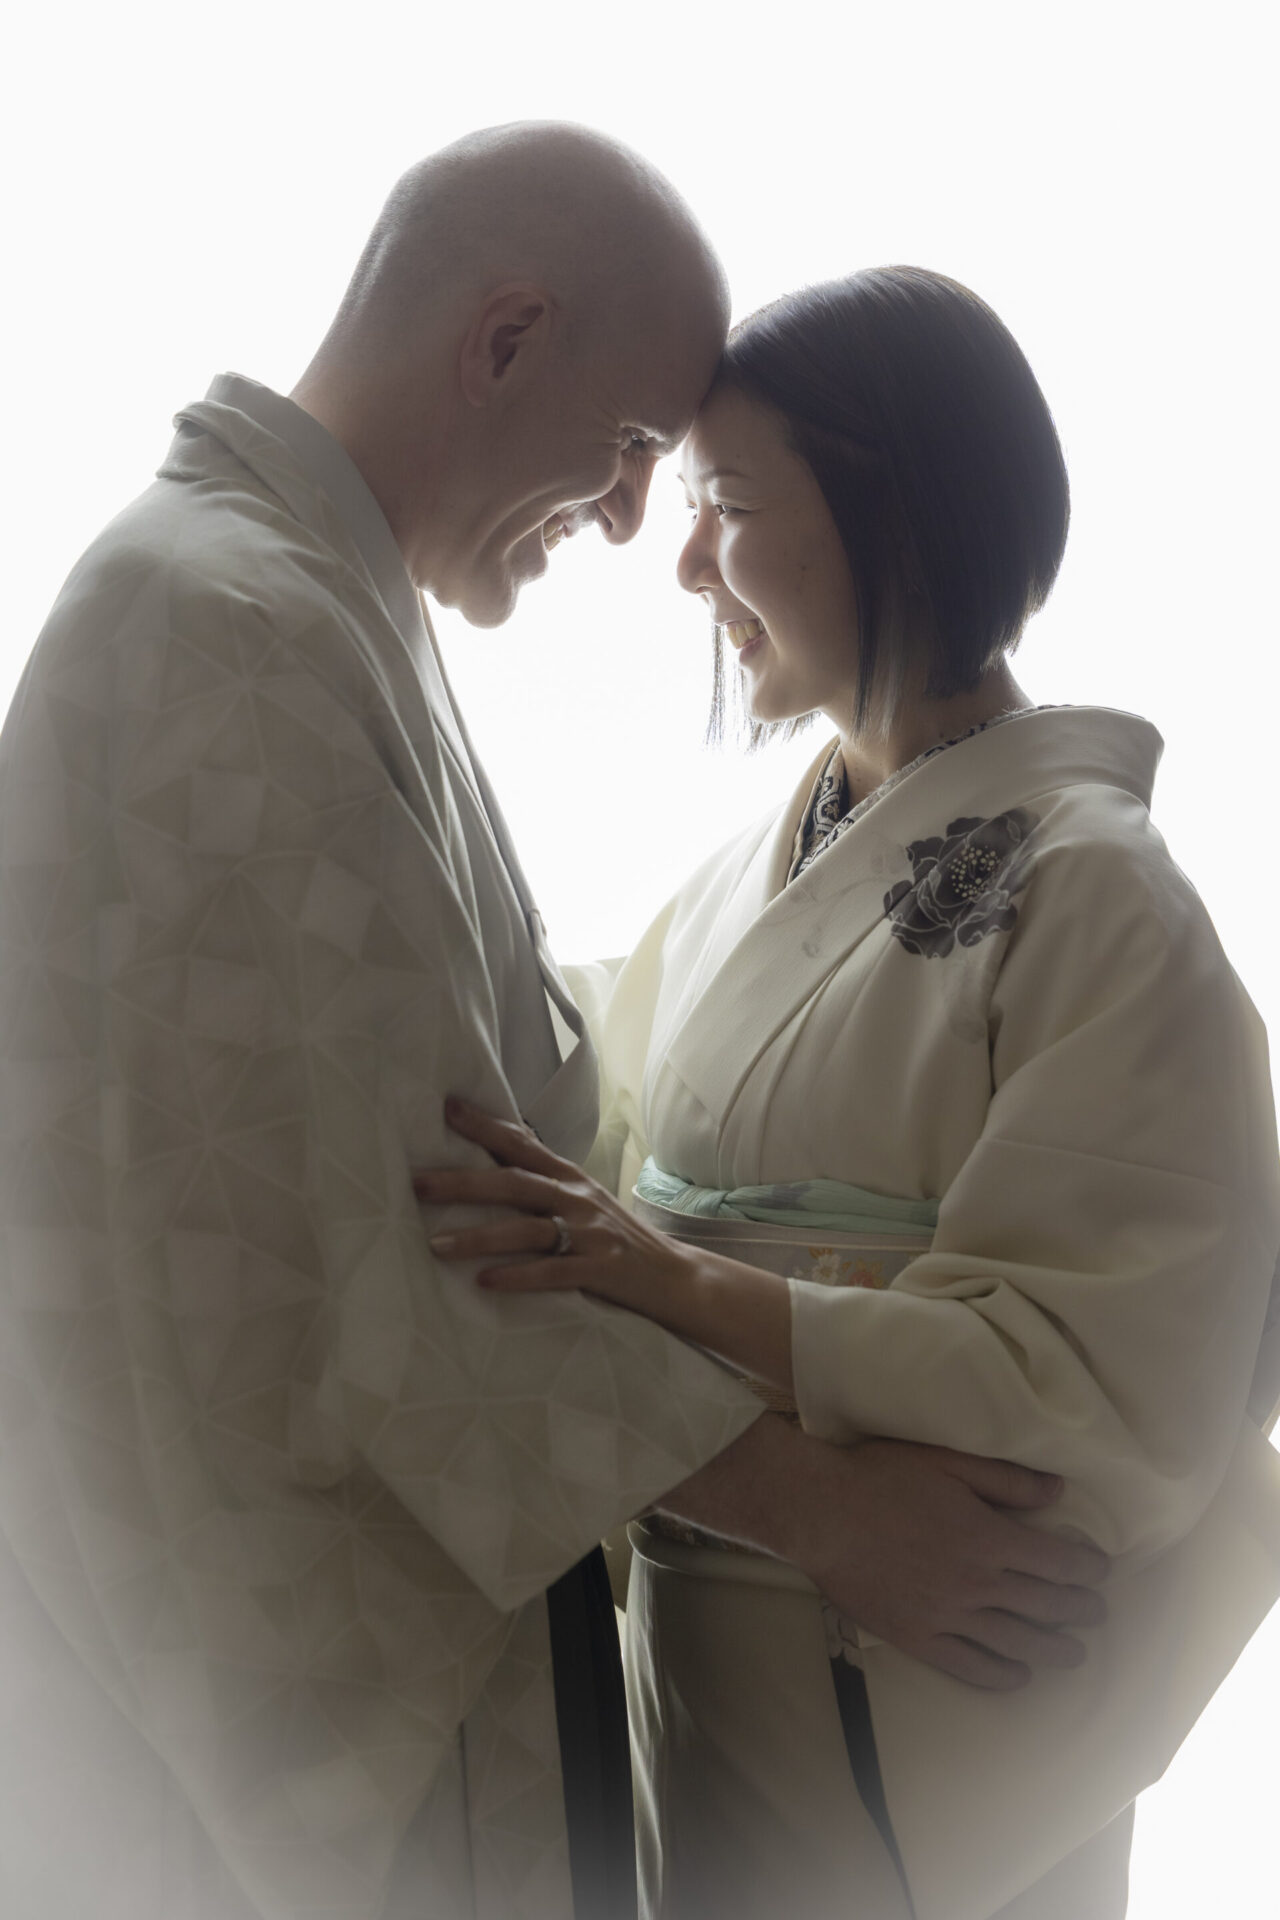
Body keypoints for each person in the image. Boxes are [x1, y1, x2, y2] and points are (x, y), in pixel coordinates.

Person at [0, 138, 1108, 1920]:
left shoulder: (285, 598)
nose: (635, 531)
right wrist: (830, 1513)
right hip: (278, 1716)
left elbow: (471, 1083)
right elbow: (406, 1247)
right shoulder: (219, 629)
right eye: (634, 449)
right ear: (503, 339)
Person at [420, 267, 1280, 1920]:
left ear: (901, 522)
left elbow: (1111, 1385)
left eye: (730, 506)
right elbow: (589, 1108)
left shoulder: (1100, 895)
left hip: (931, 1699)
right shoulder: (767, 856)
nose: (688, 562)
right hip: (719, 1675)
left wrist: (680, 1283)